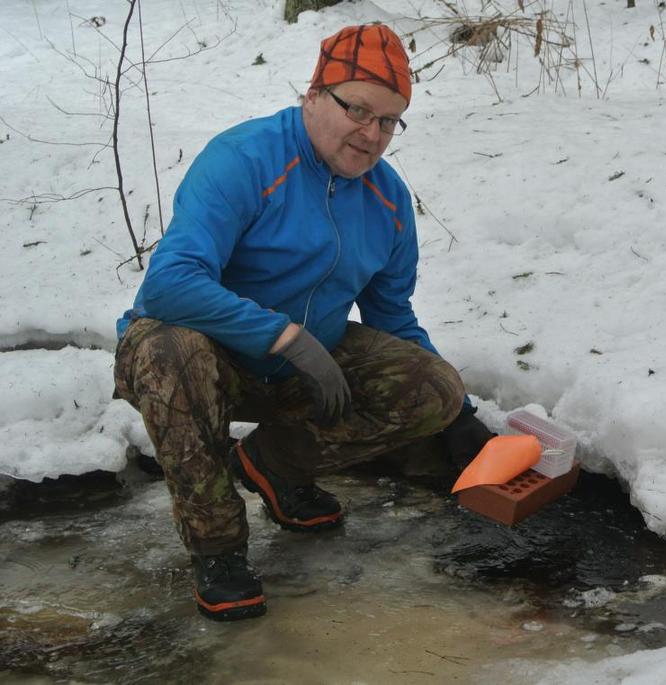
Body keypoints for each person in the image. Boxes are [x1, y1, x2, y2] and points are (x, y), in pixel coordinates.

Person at [113, 24, 493, 622]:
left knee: (433, 385)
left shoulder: (388, 200)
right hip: (198, 355)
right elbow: (168, 286)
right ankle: (218, 550)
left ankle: (273, 465)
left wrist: (459, 414)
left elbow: (392, 317)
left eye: (389, 121)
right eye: (357, 110)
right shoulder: (244, 158)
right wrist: (285, 337)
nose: (372, 134)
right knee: (171, 350)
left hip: (303, 368)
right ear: (314, 94)